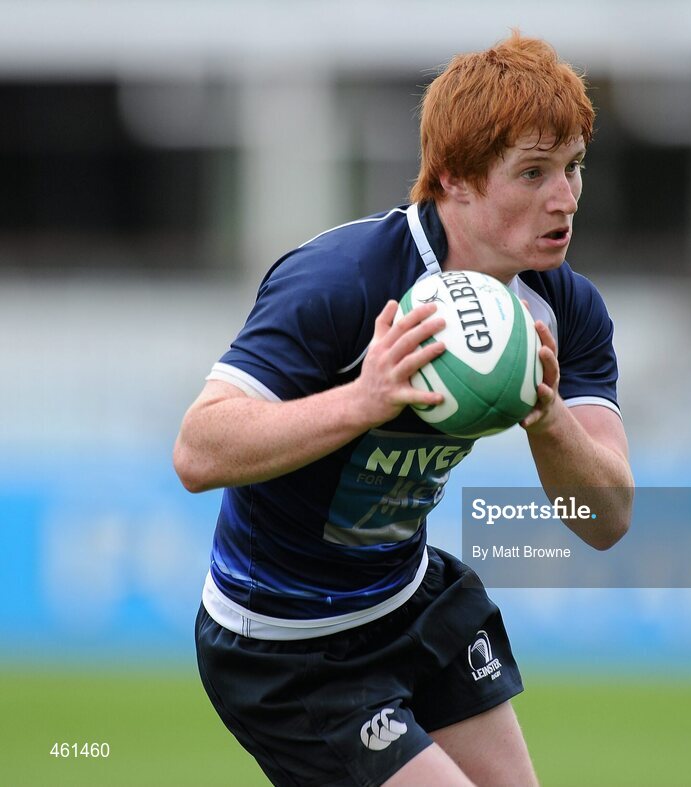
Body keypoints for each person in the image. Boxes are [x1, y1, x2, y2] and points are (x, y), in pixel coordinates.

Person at [173, 31, 633, 787]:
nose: (565, 198)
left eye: (574, 167)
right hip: (288, 646)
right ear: (454, 181)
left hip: (411, 599)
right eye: (533, 172)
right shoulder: (343, 281)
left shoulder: (562, 308)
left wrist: (548, 417)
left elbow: (606, 517)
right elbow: (197, 450)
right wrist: (363, 399)